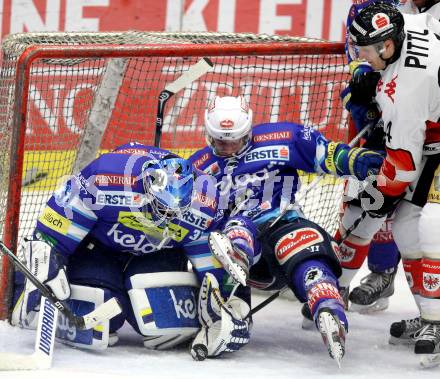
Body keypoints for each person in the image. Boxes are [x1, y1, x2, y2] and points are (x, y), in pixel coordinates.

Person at [188, 95, 384, 365]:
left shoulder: (282, 137)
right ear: (208, 135)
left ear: (248, 130)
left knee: (304, 242)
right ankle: (236, 268)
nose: (230, 147)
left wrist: (352, 160)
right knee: (237, 226)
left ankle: (327, 304)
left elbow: (326, 154)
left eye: (236, 139)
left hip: (281, 225)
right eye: (221, 141)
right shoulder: (197, 169)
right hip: (248, 268)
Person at [11, 142, 258, 355]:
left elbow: (211, 261)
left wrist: (226, 303)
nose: (165, 220)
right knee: (106, 319)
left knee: (163, 324)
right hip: (99, 249)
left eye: (174, 213)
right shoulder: (105, 177)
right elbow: (53, 232)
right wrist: (46, 265)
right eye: (161, 210)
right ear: (146, 188)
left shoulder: (207, 200)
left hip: (158, 253)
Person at [346, 2, 440, 366]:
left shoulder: (404, 94)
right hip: (432, 138)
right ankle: (433, 315)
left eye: (366, 52)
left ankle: (436, 320)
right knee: (405, 226)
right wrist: (369, 75)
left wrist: (375, 197)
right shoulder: (411, 22)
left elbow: (401, 167)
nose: (362, 57)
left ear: (387, 47)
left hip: (430, 139)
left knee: (428, 225)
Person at [339, 0, 406, 314]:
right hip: (372, 123)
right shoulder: (361, 7)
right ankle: (336, 281)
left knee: (402, 210)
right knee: (358, 199)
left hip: (411, 115)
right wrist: (362, 81)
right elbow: (354, 48)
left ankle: (383, 273)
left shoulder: (417, 10)